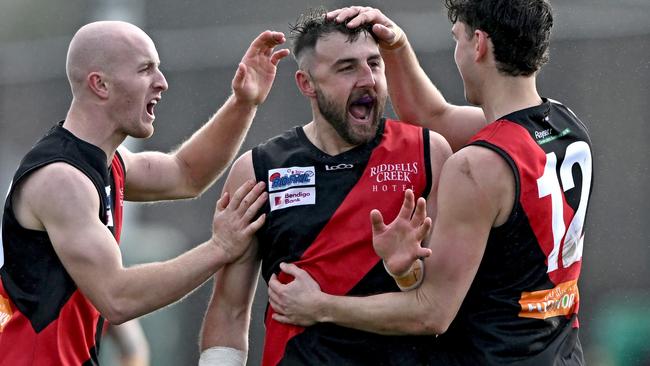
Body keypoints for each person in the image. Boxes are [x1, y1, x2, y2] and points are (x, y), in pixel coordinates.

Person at [268, 1, 592, 365]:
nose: (456, 52)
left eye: (458, 39)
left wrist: (319, 306)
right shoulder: (565, 124)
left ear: (479, 45)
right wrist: (397, 46)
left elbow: (430, 312)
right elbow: (433, 116)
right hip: (560, 354)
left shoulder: (475, 167)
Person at [0, 20, 290, 365]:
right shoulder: (62, 180)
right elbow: (117, 297)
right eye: (145, 69)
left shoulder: (104, 162)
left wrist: (244, 102)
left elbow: (187, 174)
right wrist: (219, 248)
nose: (162, 82)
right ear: (100, 84)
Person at [198, 9, 451, 366]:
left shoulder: (427, 153)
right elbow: (229, 311)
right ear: (307, 84)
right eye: (347, 68)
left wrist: (405, 271)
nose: (368, 79)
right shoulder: (259, 170)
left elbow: (437, 305)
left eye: (375, 64)